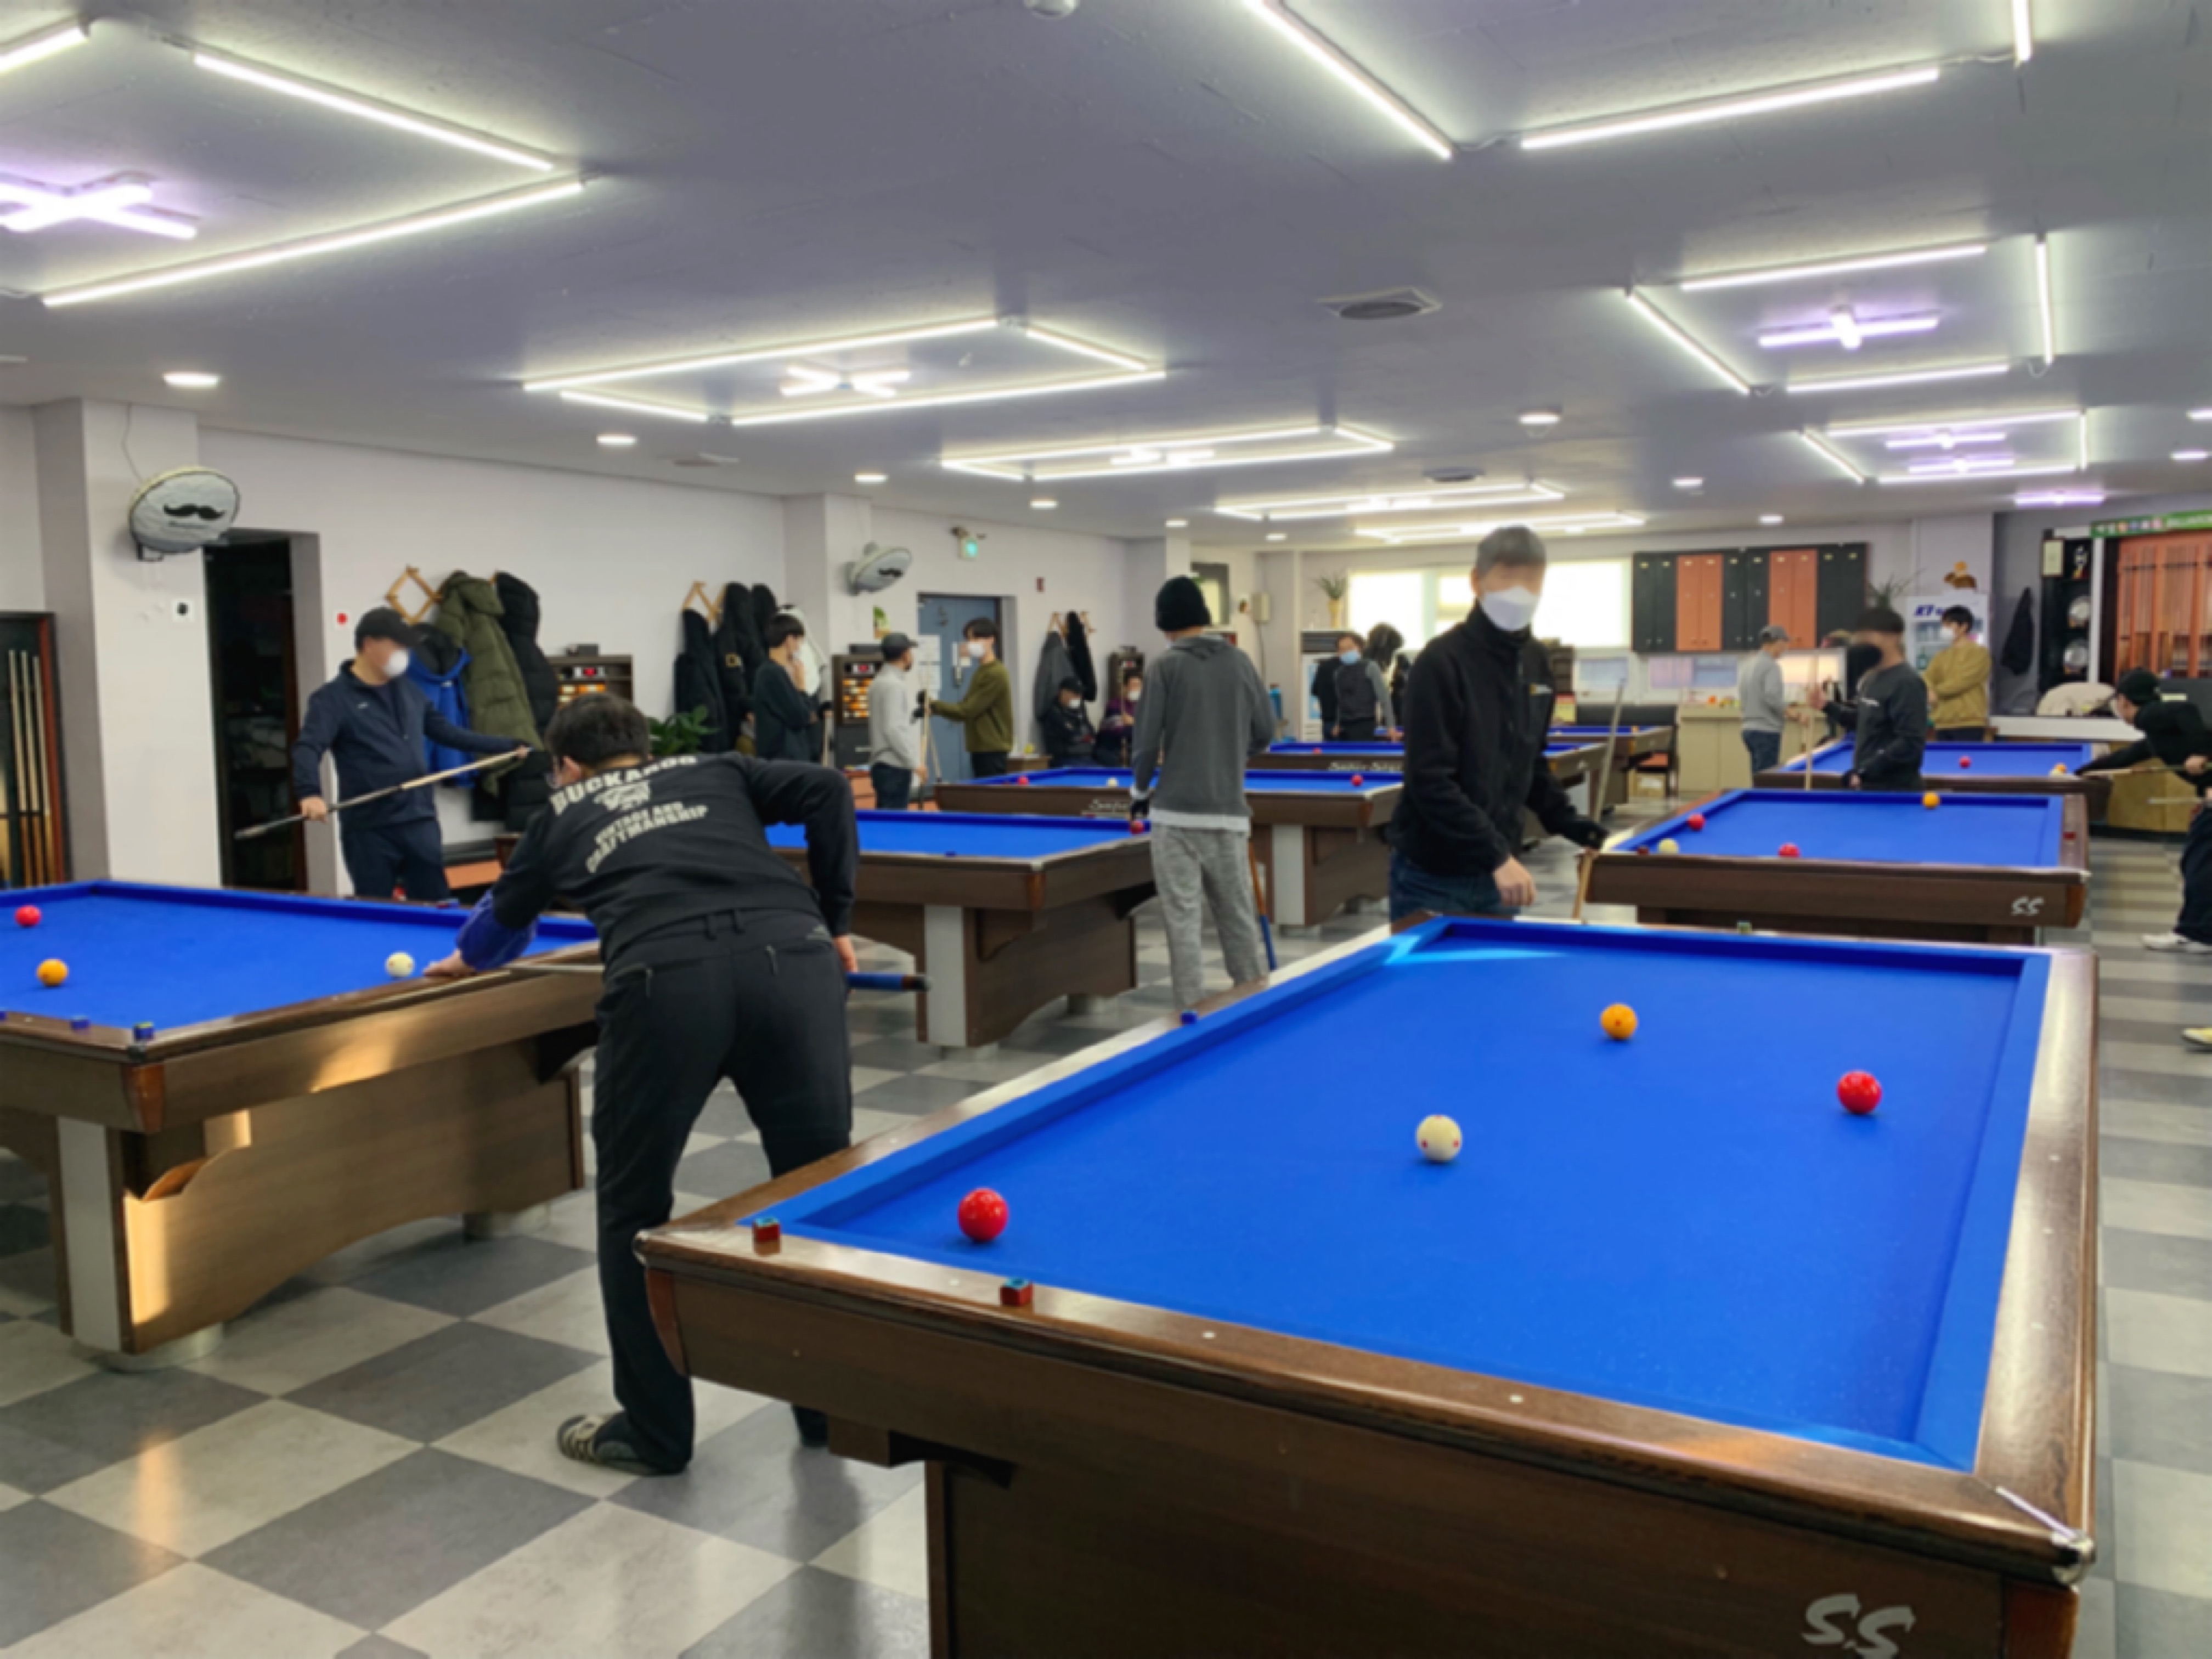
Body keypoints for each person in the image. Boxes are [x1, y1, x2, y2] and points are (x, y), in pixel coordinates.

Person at [425, 693, 860, 1475]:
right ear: (644, 748)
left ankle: (654, 1434)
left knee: (634, 1207)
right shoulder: (716, 768)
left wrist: (463, 959)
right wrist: (839, 919)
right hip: (795, 964)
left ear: (566, 767)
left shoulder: (559, 816)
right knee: (814, 1193)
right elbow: (828, 789)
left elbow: (500, 927)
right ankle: (833, 1410)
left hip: (665, 986)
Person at [1386, 527, 1606, 922]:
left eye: (1531, 580)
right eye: (1507, 577)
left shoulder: (1537, 662)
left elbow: (1529, 762)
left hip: (1499, 873)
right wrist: (1496, 855)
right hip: (1434, 874)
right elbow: (1429, 780)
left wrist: (1574, 825)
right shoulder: (1440, 662)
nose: (1520, 591)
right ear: (1477, 581)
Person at [291, 607, 526, 901]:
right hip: (370, 828)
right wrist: (309, 793)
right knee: (376, 909)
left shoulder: (410, 691)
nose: (405, 654)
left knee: (435, 904)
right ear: (370, 644)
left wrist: (506, 746)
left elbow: (448, 733)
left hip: (419, 819)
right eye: (398, 646)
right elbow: (308, 747)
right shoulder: (331, 699)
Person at [1130, 576, 1273, 1009]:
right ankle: (1254, 1002)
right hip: (1228, 813)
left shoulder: (1164, 666)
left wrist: (1139, 790)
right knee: (1238, 917)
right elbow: (1265, 734)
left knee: (1183, 920)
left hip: (1174, 817)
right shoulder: (1241, 662)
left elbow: (1146, 744)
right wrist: (1230, 754)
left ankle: (1189, 1013)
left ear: (1165, 623)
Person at [2078, 669, 2212, 957]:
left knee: (2199, 862)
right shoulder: (2157, 732)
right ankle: (2200, 931)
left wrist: (2201, 754)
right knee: (2199, 861)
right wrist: (2082, 772)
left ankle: (2196, 934)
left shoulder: (2150, 715)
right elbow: (2127, 756)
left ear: (2124, 701)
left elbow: (2186, 710)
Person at [1807, 607, 1928, 791]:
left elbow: (1910, 742)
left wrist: (1864, 771)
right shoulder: (1871, 678)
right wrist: (1826, 706)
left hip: (1896, 791)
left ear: (1894, 638)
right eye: (1861, 636)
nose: (1862, 642)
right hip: (1869, 786)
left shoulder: (1907, 682)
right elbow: (1865, 719)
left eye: (1869, 635)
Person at [932, 618, 1014, 776]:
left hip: (992, 750)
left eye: (976, 638)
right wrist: (933, 707)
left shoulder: (996, 673)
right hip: (982, 749)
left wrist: (935, 706)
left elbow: (967, 710)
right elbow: (964, 708)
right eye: (969, 639)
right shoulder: (982, 671)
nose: (971, 643)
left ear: (991, 639)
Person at [866, 632, 925, 810]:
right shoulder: (894, 685)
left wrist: (916, 715)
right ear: (906, 655)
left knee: (885, 820)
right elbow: (893, 729)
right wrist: (915, 763)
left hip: (883, 767)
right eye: (911, 652)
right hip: (894, 767)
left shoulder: (878, 681)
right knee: (894, 821)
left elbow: (892, 720)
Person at [751, 615, 818, 761]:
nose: (799, 647)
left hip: (785, 760)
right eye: (798, 641)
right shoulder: (772, 673)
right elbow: (800, 716)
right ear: (789, 640)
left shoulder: (773, 672)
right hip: (784, 761)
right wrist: (801, 686)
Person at [1923, 604, 1992, 741]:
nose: (1944, 629)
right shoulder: (1941, 656)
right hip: (1942, 722)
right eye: (1943, 625)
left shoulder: (1979, 653)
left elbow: (1963, 681)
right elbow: (1927, 677)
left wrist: (1935, 692)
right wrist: (1927, 690)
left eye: (1949, 624)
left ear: (1964, 627)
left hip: (1969, 722)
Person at [1737, 624, 1791, 776]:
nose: (1786, 648)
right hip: (1766, 731)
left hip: (1749, 730)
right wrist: (1793, 713)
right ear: (1778, 642)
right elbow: (1772, 696)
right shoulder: (1772, 666)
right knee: (1767, 779)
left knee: (1758, 777)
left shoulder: (1748, 665)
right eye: (1785, 644)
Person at [1328, 631, 1395, 741]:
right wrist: (1338, 724)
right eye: (1342, 649)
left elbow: (1384, 699)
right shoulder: (1338, 673)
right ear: (1338, 653)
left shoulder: (1371, 667)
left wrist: (1390, 727)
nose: (1346, 652)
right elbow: (1340, 702)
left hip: (1365, 724)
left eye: (1349, 648)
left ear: (1359, 648)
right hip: (1345, 727)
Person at [1040, 676, 1099, 766]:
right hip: (1065, 759)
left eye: (1080, 695)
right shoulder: (1054, 713)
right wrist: (1083, 735)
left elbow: (1091, 732)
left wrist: (1083, 734)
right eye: (1076, 694)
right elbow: (1072, 736)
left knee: (1103, 772)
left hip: (1086, 757)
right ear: (1063, 693)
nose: (1079, 698)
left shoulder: (1080, 710)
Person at [1097, 668, 1142, 765]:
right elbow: (1120, 731)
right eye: (1134, 685)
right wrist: (1139, 724)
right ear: (1125, 687)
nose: (1137, 688)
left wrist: (1133, 722)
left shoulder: (1142, 706)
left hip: (1132, 750)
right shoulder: (1115, 705)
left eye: (1139, 685)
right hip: (1110, 750)